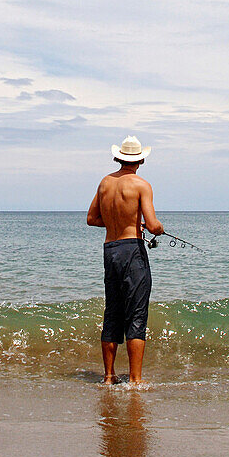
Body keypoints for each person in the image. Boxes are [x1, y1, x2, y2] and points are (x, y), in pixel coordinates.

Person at [86, 135, 164, 385]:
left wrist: (118, 222)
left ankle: (109, 377)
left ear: (119, 157)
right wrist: (157, 227)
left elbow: (92, 219)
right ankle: (135, 380)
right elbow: (152, 225)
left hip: (110, 249)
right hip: (132, 249)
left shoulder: (105, 183)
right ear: (140, 159)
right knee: (137, 313)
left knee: (112, 311)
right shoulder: (142, 185)